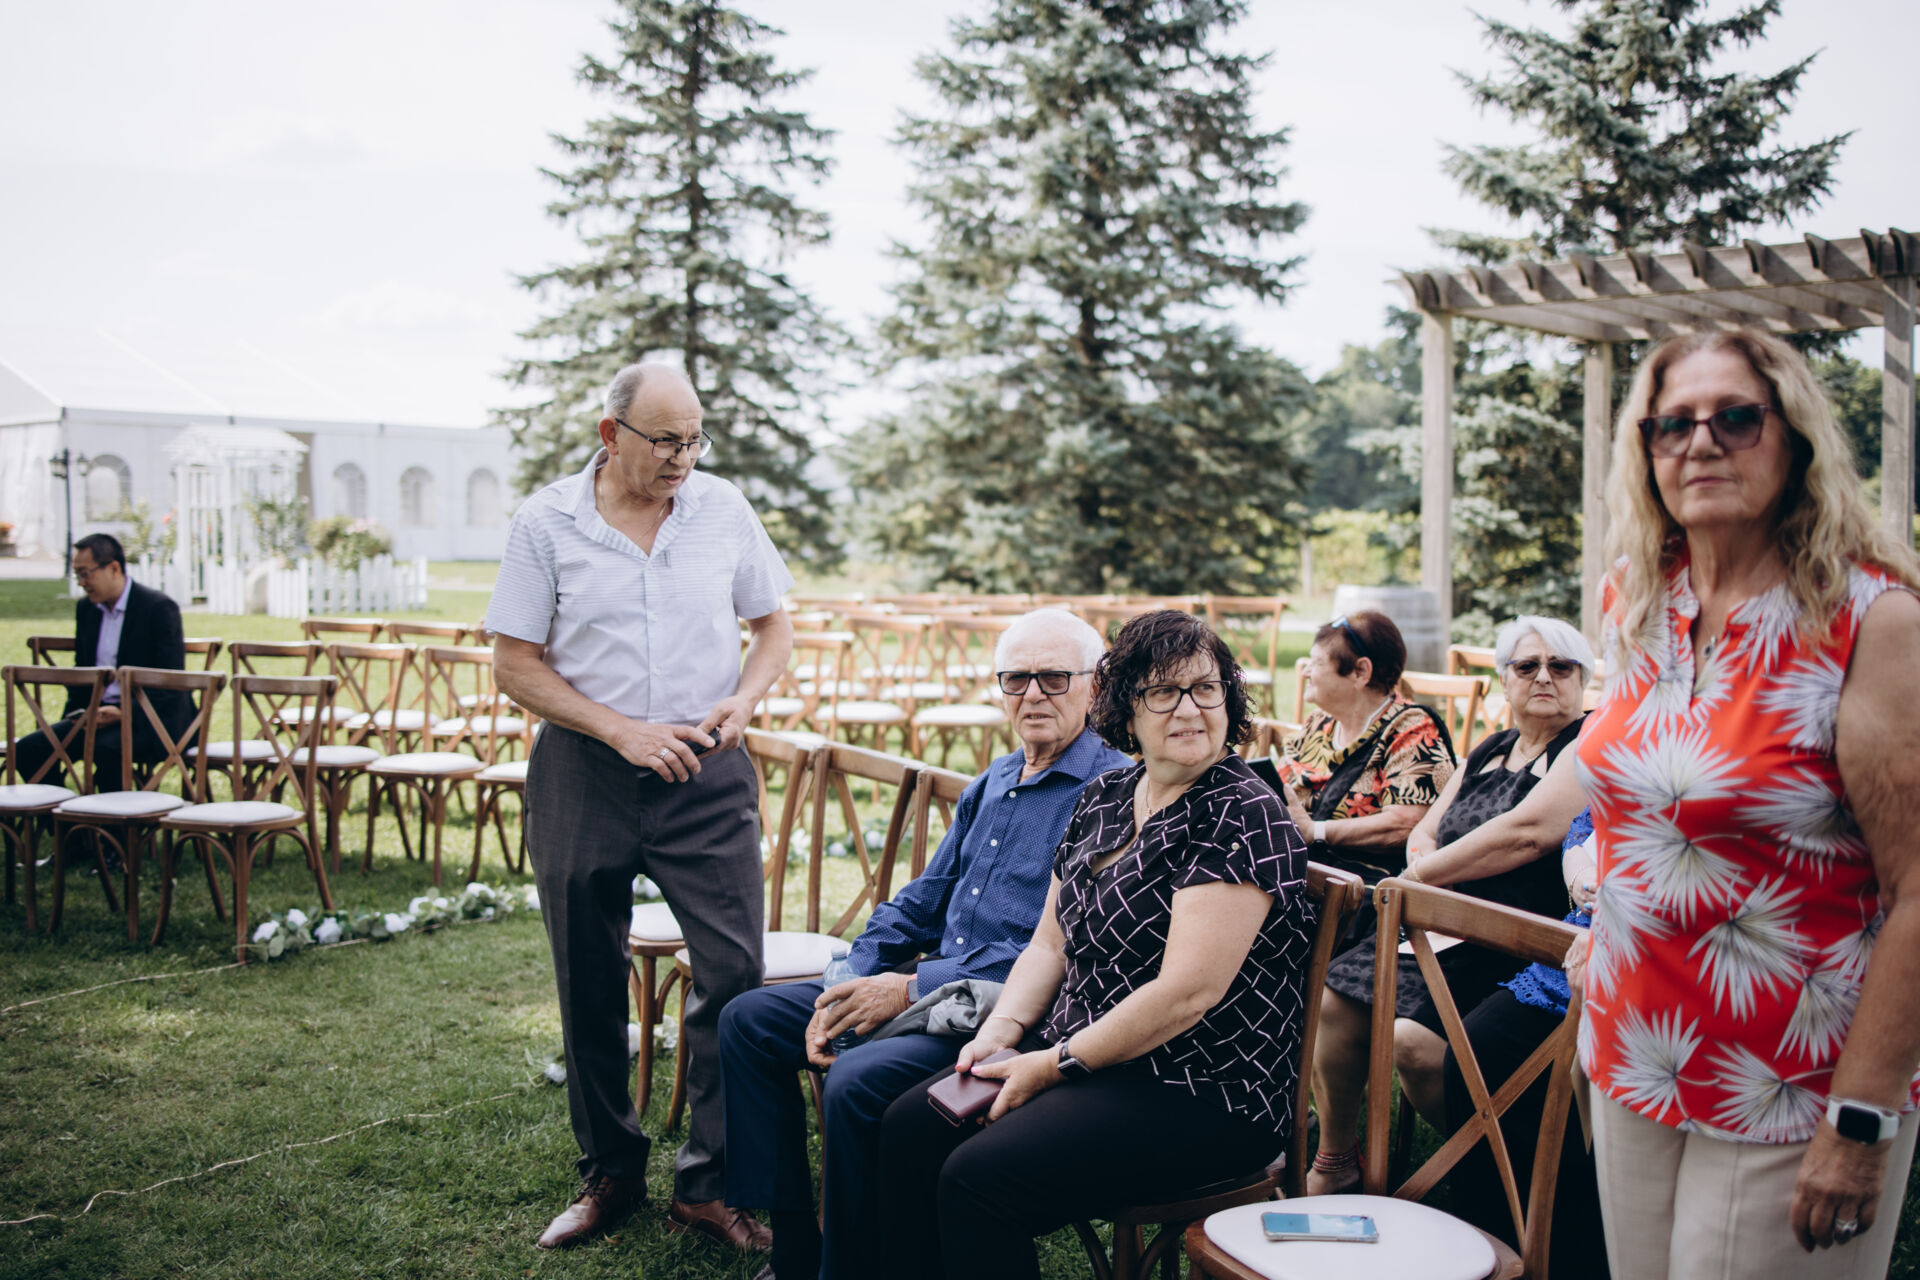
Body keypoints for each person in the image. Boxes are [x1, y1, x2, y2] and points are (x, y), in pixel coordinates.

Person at [1570, 327, 1920, 1277]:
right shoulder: (1635, 600)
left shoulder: (1869, 621)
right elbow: (1632, 792)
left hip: (1793, 1082)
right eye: (1671, 424)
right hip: (1631, 1052)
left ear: (1794, 437)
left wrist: (1862, 1116)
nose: (1701, 443)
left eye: (1735, 418)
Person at [873, 611, 1312, 1280]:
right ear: (1126, 708)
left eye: (1205, 688)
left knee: (978, 1179)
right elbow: (1048, 945)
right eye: (1163, 692)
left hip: (1200, 1086)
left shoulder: (1239, 811)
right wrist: (1002, 1030)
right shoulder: (1106, 795)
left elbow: (1186, 994)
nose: (1188, 709)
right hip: (1087, 1055)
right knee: (911, 1127)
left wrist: (1053, 1064)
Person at [716, 608, 1129, 1280]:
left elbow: (1062, 949)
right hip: (928, 987)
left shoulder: (1109, 794)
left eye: (1054, 678)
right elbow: (924, 898)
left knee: (854, 1083)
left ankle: (848, 1268)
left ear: (1095, 686)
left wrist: (909, 987)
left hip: (1003, 1015)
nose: (1032, 695)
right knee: (749, 1020)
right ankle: (795, 1246)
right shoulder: (997, 779)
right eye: (1016, 679)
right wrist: (851, 975)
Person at [487, 363, 796, 1253]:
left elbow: (773, 625)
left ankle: (709, 1186)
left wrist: (746, 698)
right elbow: (514, 663)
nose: (682, 458)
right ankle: (611, 1174)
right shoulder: (546, 520)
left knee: (734, 973)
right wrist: (619, 730)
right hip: (585, 770)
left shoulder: (723, 509)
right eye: (665, 440)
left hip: (707, 769)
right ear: (610, 433)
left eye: (694, 440)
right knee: (588, 976)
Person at [1304, 615, 1591, 1193]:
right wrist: (1425, 870)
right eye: (1527, 666)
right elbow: (1426, 829)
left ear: (1582, 679)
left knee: (1414, 1044)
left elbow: (1527, 833)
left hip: (1514, 936)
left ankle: (1496, 1173)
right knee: (1336, 998)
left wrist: (1417, 878)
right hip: (1441, 924)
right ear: (1504, 679)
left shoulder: (1586, 744)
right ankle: (1336, 1161)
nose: (1544, 678)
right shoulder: (1491, 748)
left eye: (1561, 667)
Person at [1272, 609, 1454, 893]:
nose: (1305, 672)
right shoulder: (1319, 723)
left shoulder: (1411, 730)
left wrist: (1316, 832)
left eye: (1316, 662)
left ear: (1360, 672)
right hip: (1299, 875)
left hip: (1363, 894)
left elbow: (1408, 823)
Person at [12, 532, 192, 793]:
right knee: (29, 749)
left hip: (150, 719)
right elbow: (82, 672)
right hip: (96, 715)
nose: (81, 583)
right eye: (77, 575)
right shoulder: (87, 609)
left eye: (85, 574)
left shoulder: (158, 608)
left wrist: (124, 712)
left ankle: (112, 819)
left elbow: (171, 681)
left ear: (114, 568)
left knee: (105, 748)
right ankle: (63, 815)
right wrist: (73, 718)